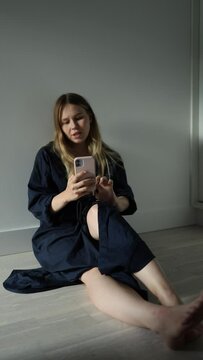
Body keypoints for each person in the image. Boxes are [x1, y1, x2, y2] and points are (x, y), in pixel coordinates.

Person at [3, 93, 203, 350]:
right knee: (94, 274)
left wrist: (111, 200)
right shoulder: (47, 156)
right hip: (58, 235)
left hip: (98, 225)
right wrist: (66, 195)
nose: (73, 126)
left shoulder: (110, 157)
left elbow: (127, 202)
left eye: (79, 118)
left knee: (101, 210)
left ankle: (171, 302)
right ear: (59, 126)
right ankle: (163, 320)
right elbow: (36, 204)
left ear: (90, 118)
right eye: (65, 122)